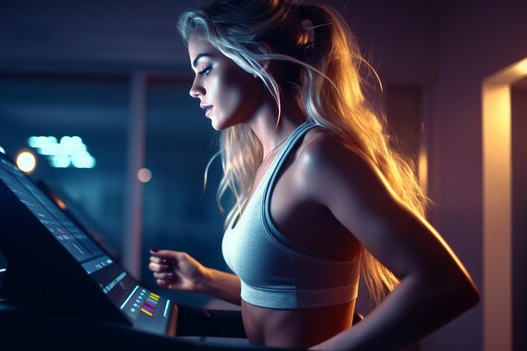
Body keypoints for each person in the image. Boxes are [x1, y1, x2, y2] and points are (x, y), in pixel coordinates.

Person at [148, 0, 479, 349]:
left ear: (257, 58)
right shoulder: (272, 161)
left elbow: (445, 285)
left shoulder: (318, 157)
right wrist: (204, 280)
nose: (194, 88)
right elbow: (288, 295)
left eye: (205, 68)